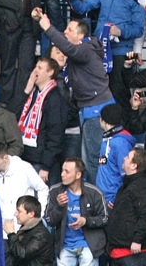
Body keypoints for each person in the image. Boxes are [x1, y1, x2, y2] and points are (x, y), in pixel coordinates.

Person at [35, 14, 114, 185]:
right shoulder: (80, 52)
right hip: (88, 109)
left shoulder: (85, 48)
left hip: (96, 109)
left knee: (93, 160)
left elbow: (69, 49)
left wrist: (48, 28)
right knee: (89, 160)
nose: (65, 32)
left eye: (69, 29)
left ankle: (97, 201)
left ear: (80, 36)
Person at [45, 158, 107, 266]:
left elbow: (105, 218)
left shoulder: (94, 192)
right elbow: (49, 220)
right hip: (65, 245)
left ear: (78, 175)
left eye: (67, 171)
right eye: (62, 170)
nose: (62, 174)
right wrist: (59, 207)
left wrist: (86, 221)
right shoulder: (55, 191)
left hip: (88, 245)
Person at [103, 149, 146, 266]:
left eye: (128, 157)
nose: (124, 158)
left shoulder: (143, 187)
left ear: (134, 166)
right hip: (118, 250)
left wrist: (138, 240)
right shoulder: (126, 186)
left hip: (133, 252)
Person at [0, 142, 49, 232]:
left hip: (23, 229)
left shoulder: (24, 168)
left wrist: (38, 214)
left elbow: (43, 189)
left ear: (5, 158)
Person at [4, 196, 54, 266]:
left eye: (19, 211)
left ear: (31, 214)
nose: (15, 214)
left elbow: (22, 254)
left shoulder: (41, 235)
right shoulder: (28, 228)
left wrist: (11, 234)